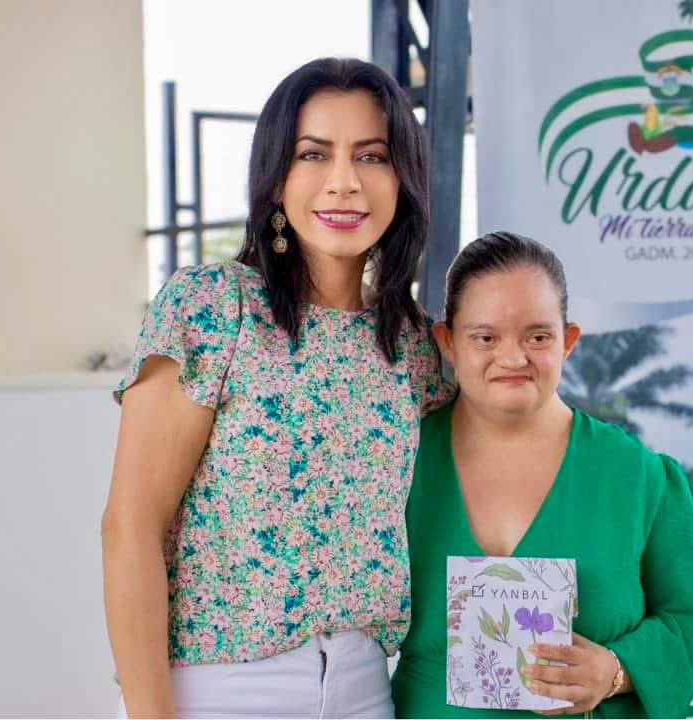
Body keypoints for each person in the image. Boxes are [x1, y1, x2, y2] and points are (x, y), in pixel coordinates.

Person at [101, 57, 449, 719]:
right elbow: (130, 528)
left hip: (365, 689)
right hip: (218, 692)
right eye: (313, 154)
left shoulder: (410, 346)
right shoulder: (214, 309)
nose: (344, 182)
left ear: (402, 178)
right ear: (276, 178)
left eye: (372, 156)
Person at [390, 232, 693, 718]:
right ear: (448, 342)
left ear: (568, 342)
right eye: (485, 338)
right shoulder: (399, 465)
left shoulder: (638, 476)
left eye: (538, 337)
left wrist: (616, 670)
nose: (513, 358)